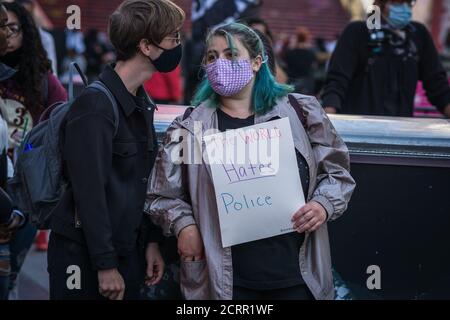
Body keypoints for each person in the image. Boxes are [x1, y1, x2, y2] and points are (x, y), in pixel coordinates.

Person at [145, 22, 355, 300]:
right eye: (211, 56)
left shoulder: (301, 112)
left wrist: (322, 204)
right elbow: (162, 196)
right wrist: (183, 224)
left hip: (297, 276)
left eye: (231, 54)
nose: (219, 63)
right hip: (224, 283)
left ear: (257, 62)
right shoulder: (190, 127)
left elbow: (338, 173)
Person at [48, 0, 185, 300]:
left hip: (126, 251)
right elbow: (89, 192)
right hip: (85, 258)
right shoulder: (96, 105)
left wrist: (149, 243)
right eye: (173, 38)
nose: (178, 45)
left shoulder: (140, 101)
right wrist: (105, 264)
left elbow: (143, 183)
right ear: (146, 46)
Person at [0, 1, 66, 299]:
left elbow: (62, 117)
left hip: (23, 190)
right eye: (1, 28)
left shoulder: (40, 79)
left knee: (10, 276)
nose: (6, 35)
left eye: (12, 28)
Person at [322, 0, 450, 117]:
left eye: (409, 3)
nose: (405, 9)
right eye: (398, 3)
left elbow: (437, 84)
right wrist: (330, 120)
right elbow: (337, 82)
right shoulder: (357, 32)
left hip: (402, 132)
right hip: (359, 128)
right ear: (380, 4)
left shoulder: (418, 35)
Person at [284, 27, 317, 95]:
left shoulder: (290, 52)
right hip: (305, 84)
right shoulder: (311, 53)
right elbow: (313, 67)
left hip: (291, 82)